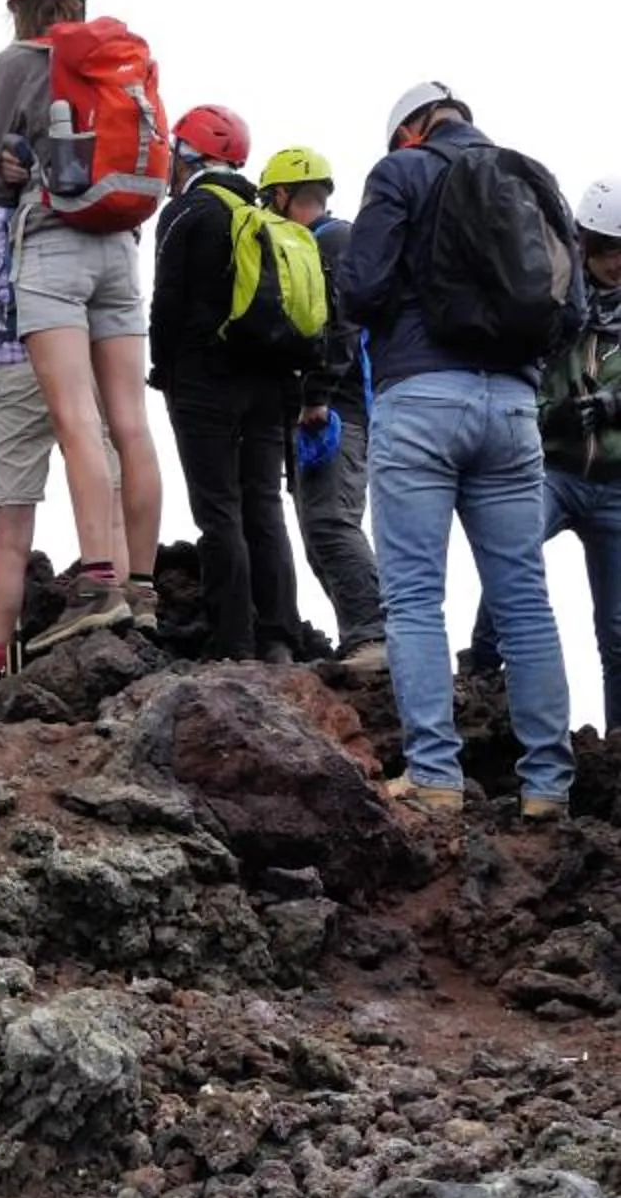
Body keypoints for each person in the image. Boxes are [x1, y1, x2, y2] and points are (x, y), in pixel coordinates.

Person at [340, 81, 578, 820]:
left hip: (420, 400)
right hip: (511, 408)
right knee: (525, 600)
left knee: (414, 597)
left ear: (411, 130)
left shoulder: (401, 173)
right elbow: (567, 312)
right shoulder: (530, 177)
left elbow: (360, 288)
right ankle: (548, 787)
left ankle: (436, 777)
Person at [0, 0, 163, 647]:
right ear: (78, 1)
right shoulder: (114, 59)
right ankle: (143, 587)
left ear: (17, 5)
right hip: (121, 247)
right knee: (130, 423)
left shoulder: (17, 61)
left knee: (77, 416)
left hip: (53, 242)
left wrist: (15, 165)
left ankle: (99, 582)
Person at [148, 104, 304, 664]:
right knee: (263, 503)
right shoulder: (262, 215)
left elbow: (167, 301)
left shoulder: (187, 212)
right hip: (269, 383)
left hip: (204, 382)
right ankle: (281, 636)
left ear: (188, 154)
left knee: (218, 509)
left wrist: (160, 367)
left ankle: (232, 641)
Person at [471, 176, 621, 731]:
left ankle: (615, 755)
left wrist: (612, 405)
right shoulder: (553, 301)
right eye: (606, 248)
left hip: (615, 486)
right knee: (508, 564)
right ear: (583, 242)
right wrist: (551, 416)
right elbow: (517, 379)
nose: (616, 262)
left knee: (619, 633)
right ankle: (480, 684)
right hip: (551, 471)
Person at [0, 197, 122, 679]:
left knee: (10, 533)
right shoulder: (87, 210)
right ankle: (121, 628)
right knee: (108, 503)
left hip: (13, 370)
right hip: (81, 367)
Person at [255, 146, 386, 674]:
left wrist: (317, 395)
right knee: (320, 529)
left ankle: (376, 638)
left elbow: (344, 325)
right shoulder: (330, 240)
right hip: (343, 407)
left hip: (340, 410)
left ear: (282, 195)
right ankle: (362, 639)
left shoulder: (330, 242)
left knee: (331, 524)